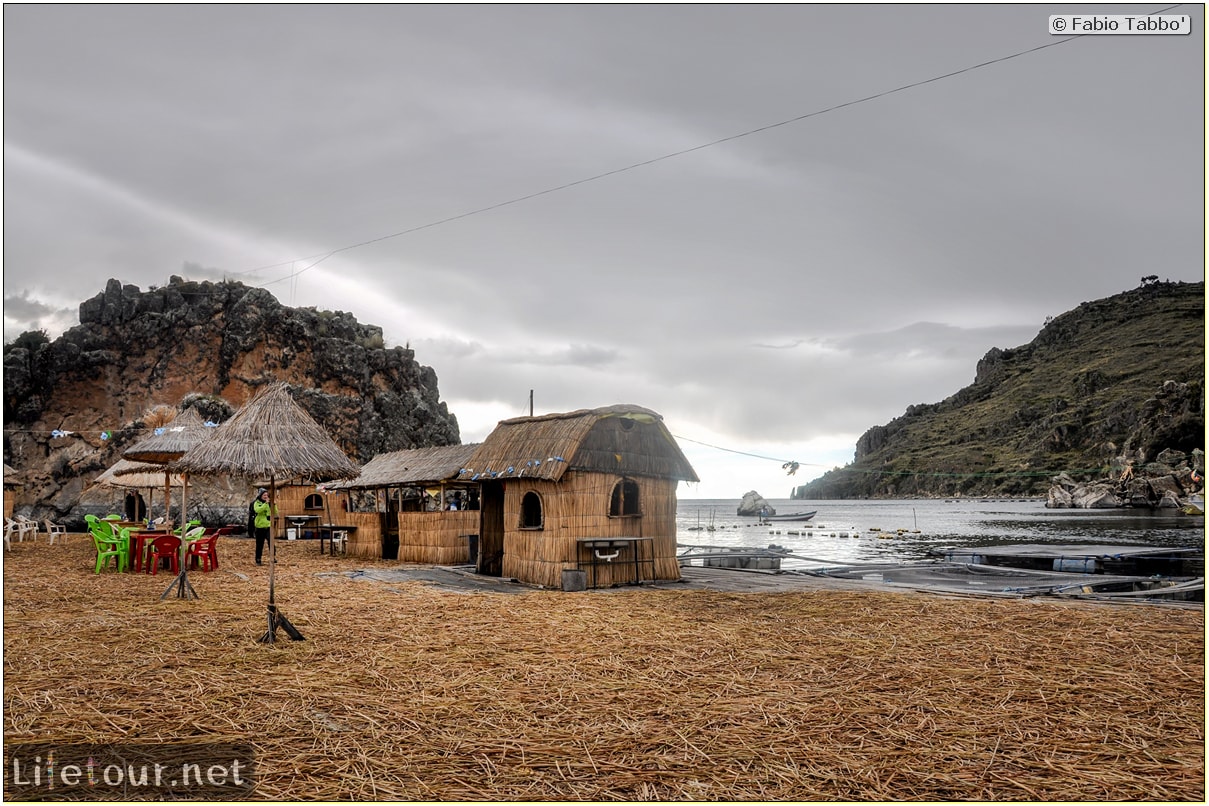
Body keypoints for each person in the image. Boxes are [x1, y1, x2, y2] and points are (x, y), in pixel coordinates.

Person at [252, 488, 276, 565]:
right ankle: (258, 559)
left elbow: (275, 512)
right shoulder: (257, 503)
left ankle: (273, 557)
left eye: (267, 495)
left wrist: (274, 505)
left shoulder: (269, 503)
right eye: (264, 495)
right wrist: (265, 504)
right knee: (259, 544)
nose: (266, 496)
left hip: (268, 526)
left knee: (271, 541)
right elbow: (258, 510)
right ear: (260, 496)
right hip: (260, 526)